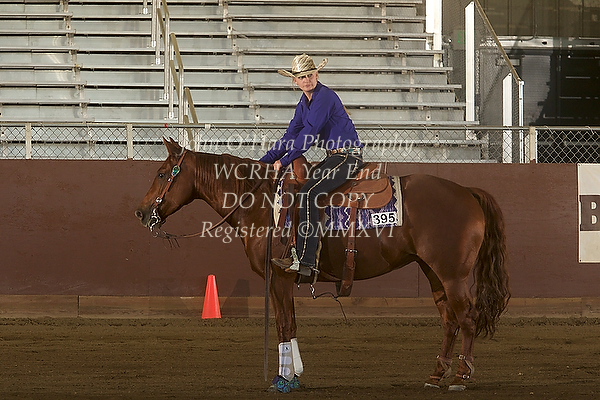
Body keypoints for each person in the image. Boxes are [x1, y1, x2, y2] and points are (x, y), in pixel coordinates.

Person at [259, 53, 364, 276]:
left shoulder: (324, 97)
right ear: (295, 81)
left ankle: (306, 261)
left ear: (317, 75)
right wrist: (264, 161)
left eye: (309, 75)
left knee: (309, 193)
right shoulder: (304, 103)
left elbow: (308, 135)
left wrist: (284, 160)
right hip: (334, 157)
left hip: (347, 157)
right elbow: (291, 135)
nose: (306, 80)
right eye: (301, 77)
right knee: (306, 189)